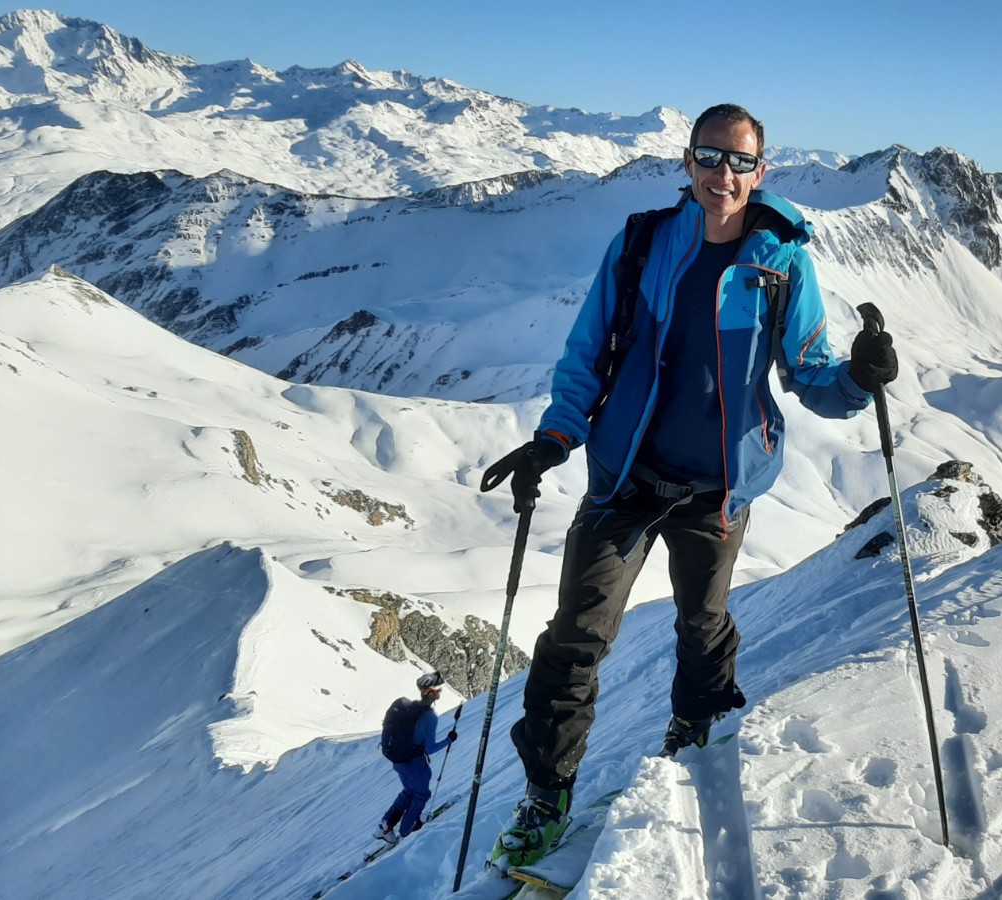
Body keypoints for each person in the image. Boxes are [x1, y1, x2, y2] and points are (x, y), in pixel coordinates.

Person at [481, 103, 899, 869]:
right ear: (688, 162)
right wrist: (555, 436)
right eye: (712, 159)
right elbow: (587, 350)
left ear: (760, 172)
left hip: (717, 486)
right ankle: (546, 795)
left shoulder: (782, 263)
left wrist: (859, 380)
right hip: (627, 477)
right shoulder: (643, 244)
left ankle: (697, 725)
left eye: (741, 163)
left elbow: (810, 373)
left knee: (701, 625)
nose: (724, 177)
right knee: (576, 637)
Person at [375, 672, 458, 846]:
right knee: (421, 794)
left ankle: (386, 826)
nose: (440, 692)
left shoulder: (409, 709)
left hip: (398, 761)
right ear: (430, 692)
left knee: (408, 791)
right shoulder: (429, 716)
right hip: (415, 764)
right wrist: (449, 740)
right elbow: (430, 748)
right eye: (438, 689)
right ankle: (408, 831)